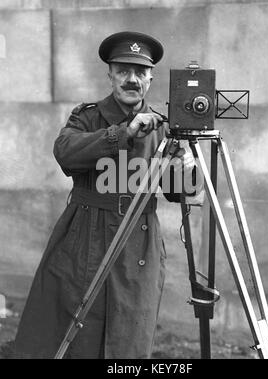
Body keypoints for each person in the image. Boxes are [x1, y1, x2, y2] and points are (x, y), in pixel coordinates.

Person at [14, 31, 202, 359]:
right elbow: (65, 153)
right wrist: (122, 133)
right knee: (73, 334)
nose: (132, 80)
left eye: (140, 73)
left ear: (151, 78)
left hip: (137, 245)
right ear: (110, 75)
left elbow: (179, 193)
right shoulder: (87, 117)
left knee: (128, 338)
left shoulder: (163, 127)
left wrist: (186, 168)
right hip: (84, 239)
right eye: (123, 71)